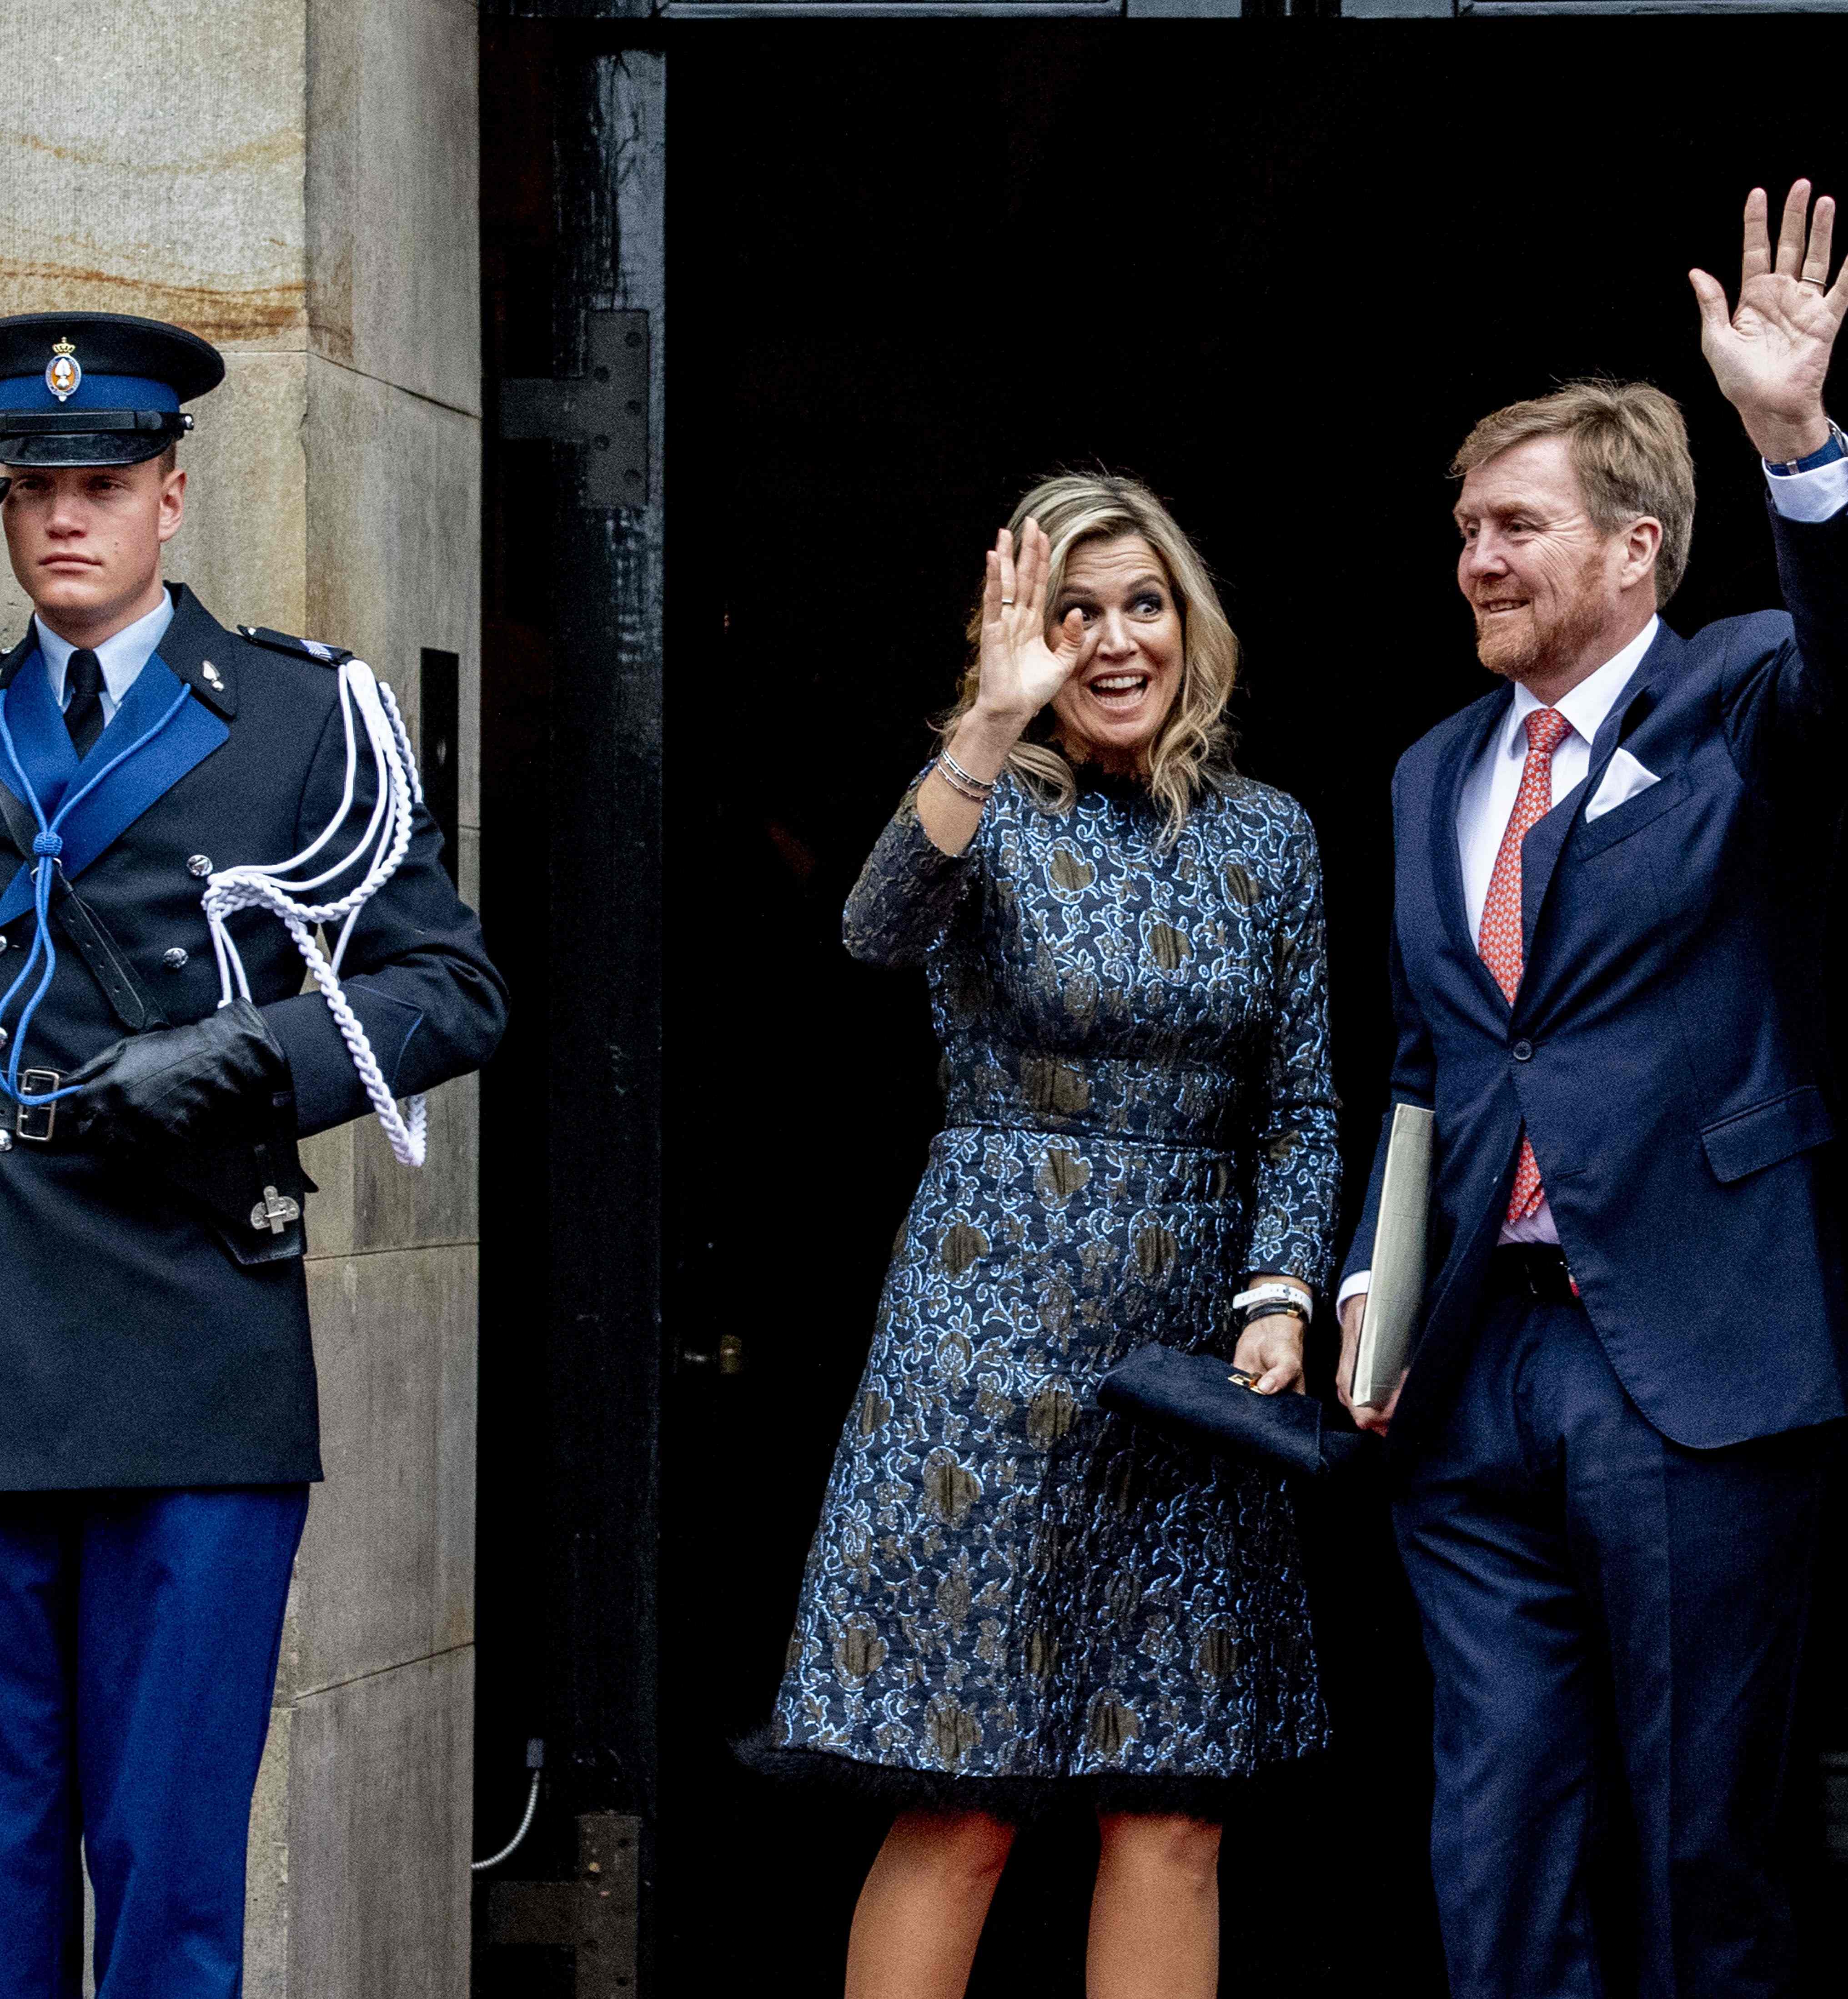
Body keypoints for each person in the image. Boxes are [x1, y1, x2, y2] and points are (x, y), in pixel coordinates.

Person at [0, 312, 504, 1994]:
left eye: (103, 482)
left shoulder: (295, 718)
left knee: (168, 1860)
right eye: (33, 482)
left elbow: (454, 986)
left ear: (170, 499)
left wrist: (243, 1055)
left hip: (191, 1313)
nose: (65, 512)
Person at [1327, 183, 1848, 1996]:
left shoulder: (1741, 694)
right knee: (1493, 1834)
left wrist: (1794, 436)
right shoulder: (1432, 767)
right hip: (1470, 1378)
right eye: (1462, 532)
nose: (1476, 560)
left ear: (1633, 549)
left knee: (1691, 1841)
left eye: (1514, 526)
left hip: (1689, 1353)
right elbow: (1435, 1055)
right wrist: (1376, 1266)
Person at [745, 474, 1338, 1999]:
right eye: (1076, 613)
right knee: (963, 1795)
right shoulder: (985, 799)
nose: (1113, 641)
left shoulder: (1269, 838)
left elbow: (1303, 1104)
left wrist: (1279, 1294)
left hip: (1195, 1362)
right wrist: (988, 722)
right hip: (989, 1333)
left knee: (1173, 1798)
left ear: (1188, 623)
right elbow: (874, 927)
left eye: (1142, 605)